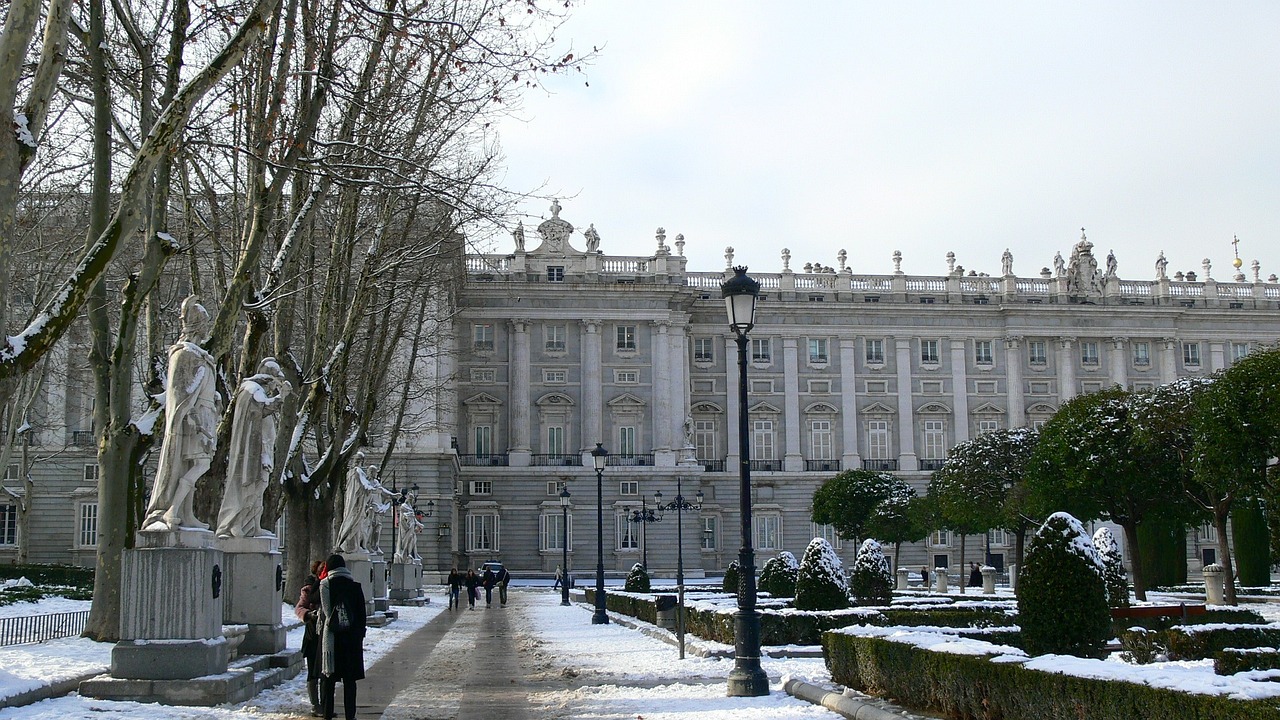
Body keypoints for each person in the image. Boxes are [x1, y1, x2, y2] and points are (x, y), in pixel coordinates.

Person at [142, 296, 220, 531]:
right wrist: (193, 418)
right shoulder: (184, 354)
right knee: (200, 464)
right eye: (204, 322)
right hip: (193, 420)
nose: (207, 327)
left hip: (206, 415)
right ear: (197, 325)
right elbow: (180, 394)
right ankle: (173, 510)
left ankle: (185, 512)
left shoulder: (200, 357)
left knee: (197, 465)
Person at [216, 358, 290, 538]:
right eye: (274, 384)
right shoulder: (251, 390)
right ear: (268, 379)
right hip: (251, 452)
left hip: (262, 452)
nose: (273, 389)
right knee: (248, 488)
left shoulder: (258, 392)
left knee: (259, 488)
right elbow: (261, 410)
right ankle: (235, 522)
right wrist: (282, 397)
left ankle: (253, 525)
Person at [320, 553, 366, 720]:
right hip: (351, 640)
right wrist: (359, 635)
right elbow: (362, 614)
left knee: (329, 680)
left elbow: (326, 613)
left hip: (332, 639)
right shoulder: (354, 586)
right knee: (349, 681)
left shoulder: (325, 585)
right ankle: (350, 715)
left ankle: (327, 714)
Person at [294, 559, 325, 716]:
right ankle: (315, 704)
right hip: (312, 635)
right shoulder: (309, 589)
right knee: (313, 671)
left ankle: (325, 703)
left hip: (326, 634)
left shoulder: (330, 586)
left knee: (325, 672)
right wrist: (309, 615)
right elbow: (299, 608)